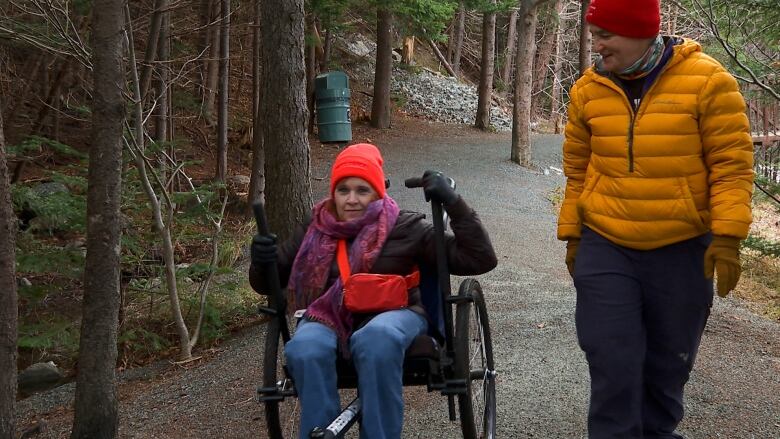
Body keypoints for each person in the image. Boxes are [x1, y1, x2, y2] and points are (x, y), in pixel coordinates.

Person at [557, 0, 754, 437]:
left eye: (606, 34)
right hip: (607, 242)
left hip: (683, 248)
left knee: (668, 365)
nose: (598, 45)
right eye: (594, 36)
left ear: (640, 30)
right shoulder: (587, 91)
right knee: (612, 358)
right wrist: (574, 236)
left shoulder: (709, 82)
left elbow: (731, 166)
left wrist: (727, 237)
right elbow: (577, 172)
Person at [249, 143, 497, 439]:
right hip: (328, 316)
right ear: (333, 194)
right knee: (304, 348)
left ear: (378, 192)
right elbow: (267, 283)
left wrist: (455, 203)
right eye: (343, 190)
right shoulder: (314, 229)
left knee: (376, 339)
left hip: (398, 312)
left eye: (362, 190)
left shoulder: (406, 226)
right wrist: (263, 261)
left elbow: (480, 258)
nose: (351, 200)